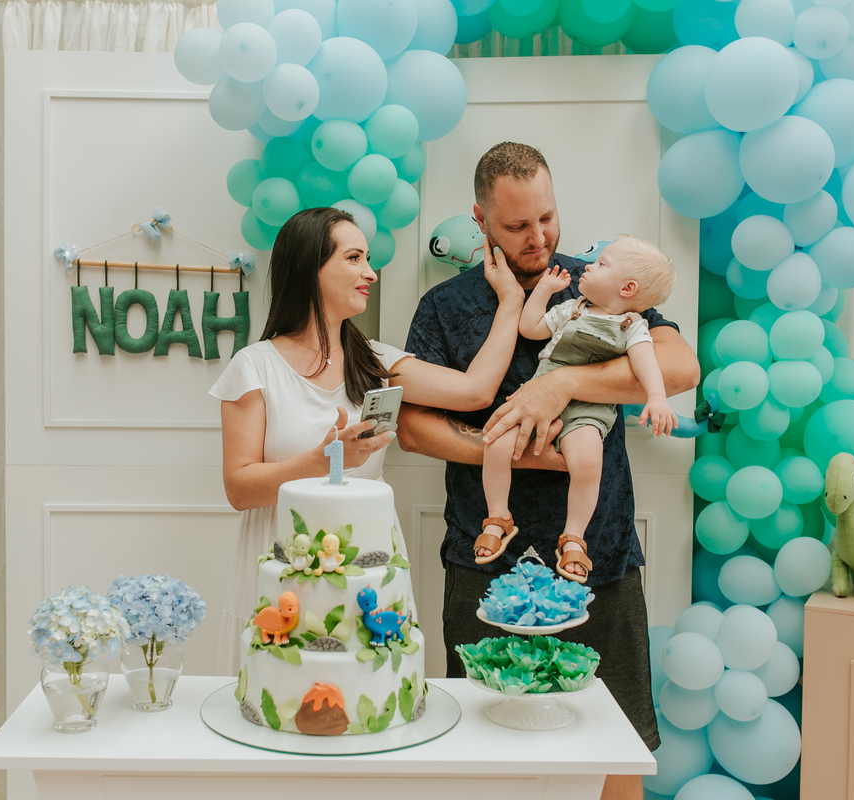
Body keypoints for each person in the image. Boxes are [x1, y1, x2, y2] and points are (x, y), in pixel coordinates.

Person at [397, 142, 698, 800]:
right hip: (483, 557)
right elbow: (412, 427)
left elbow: (679, 367)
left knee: (617, 748)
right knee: (479, 753)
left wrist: (560, 386)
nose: (538, 237)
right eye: (517, 226)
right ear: (480, 220)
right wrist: (507, 448)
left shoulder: (601, 282)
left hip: (598, 554)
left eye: (547, 218)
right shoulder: (444, 307)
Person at [209, 206, 524, 676]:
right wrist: (325, 460)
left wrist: (512, 301)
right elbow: (239, 489)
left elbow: (475, 390)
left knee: (368, 686)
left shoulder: (376, 361)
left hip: (368, 556)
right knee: (282, 685)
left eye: (368, 259)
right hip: (284, 558)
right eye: (354, 258)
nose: (371, 273)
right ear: (310, 268)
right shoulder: (254, 366)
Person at [477, 235, 679, 585]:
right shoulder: (573, 308)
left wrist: (657, 397)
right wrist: (544, 290)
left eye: (602, 264)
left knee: (587, 462)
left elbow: (646, 363)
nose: (588, 266)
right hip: (537, 399)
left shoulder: (632, 325)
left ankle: (573, 537)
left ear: (627, 288)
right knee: (495, 443)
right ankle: (498, 517)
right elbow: (530, 328)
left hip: (588, 410)